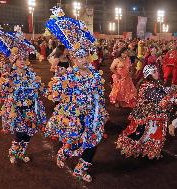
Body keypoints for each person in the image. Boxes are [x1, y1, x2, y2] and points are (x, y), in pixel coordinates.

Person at [45, 6, 108, 182]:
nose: (82, 60)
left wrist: (101, 111)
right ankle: (63, 152)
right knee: (75, 142)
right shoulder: (68, 74)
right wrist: (58, 80)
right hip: (74, 116)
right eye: (79, 57)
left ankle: (80, 169)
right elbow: (56, 96)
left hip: (92, 115)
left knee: (93, 143)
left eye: (85, 56)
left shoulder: (95, 74)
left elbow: (99, 94)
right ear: (72, 58)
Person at [0, 25, 47, 164]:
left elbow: (39, 87)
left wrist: (51, 93)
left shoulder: (30, 73)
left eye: (24, 58)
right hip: (16, 108)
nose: (22, 61)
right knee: (20, 132)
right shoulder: (9, 74)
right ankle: (13, 152)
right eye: (19, 58)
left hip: (31, 107)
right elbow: (1, 91)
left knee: (29, 133)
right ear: (14, 60)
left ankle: (21, 152)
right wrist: (8, 82)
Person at [116, 65, 177, 159]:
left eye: (156, 71)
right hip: (146, 114)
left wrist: (173, 89)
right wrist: (174, 98)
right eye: (154, 72)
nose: (157, 73)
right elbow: (160, 97)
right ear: (149, 74)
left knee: (152, 132)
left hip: (152, 112)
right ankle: (135, 149)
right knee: (145, 132)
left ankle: (147, 150)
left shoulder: (153, 83)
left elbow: (162, 91)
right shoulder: (146, 86)